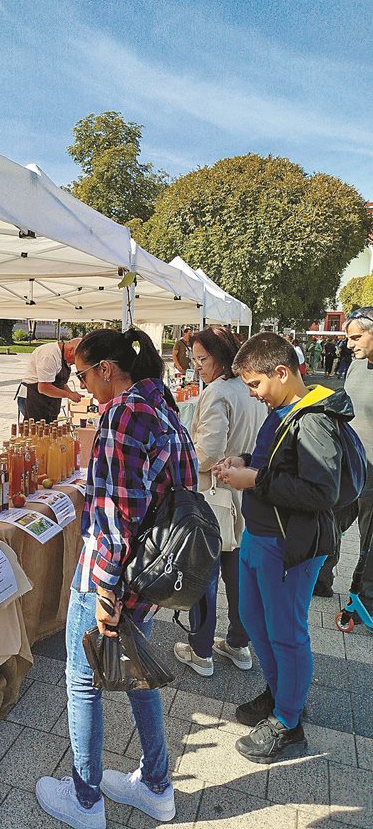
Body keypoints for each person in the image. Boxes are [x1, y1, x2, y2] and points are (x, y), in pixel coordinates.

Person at [36, 327, 198, 828]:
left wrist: (106, 588)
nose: (82, 386)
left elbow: (115, 513)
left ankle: (85, 799)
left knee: (82, 679)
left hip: (112, 574)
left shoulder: (124, 414)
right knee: (137, 672)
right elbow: (184, 493)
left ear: (107, 369)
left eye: (83, 375)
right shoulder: (164, 407)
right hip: (150, 573)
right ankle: (155, 783)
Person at [215, 332, 350, 763]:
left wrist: (255, 480)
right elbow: (272, 459)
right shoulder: (282, 409)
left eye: (255, 384)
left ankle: (289, 723)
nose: (253, 394)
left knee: (287, 635)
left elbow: (321, 492)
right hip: (260, 536)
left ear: (281, 372)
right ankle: (279, 697)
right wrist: (243, 460)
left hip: (289, 547)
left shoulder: (313, 419)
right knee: (256, 624)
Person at [173, 326, 266, 677]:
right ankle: (239, 644)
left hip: (215, 495)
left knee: (203, 576)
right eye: (194, 358)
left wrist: (180, 464)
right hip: (247, 492)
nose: (197, 365)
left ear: (221, 357)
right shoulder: (251, 387)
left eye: (202, 358)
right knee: (239, 576)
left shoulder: (217, 392)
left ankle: (201, 651)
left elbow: (208, 452)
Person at [339, 307, 372, 612]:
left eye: (356, 337)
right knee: (330, 522)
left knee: (368, 541)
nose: (349, 344)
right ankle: (320, 582)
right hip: (348, 464)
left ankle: (363, 600)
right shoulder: (355, 366)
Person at [18, 338, 82, 422]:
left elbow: (60, 383)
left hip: (47, 400)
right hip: (33, 398)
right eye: (76, 359)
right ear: (70, 351)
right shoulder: (49, 356)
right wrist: (68, 395)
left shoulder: (64, 357)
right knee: (37, 431)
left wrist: (71, 393)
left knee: (49, 430)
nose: (75, 363)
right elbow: (43, 387)